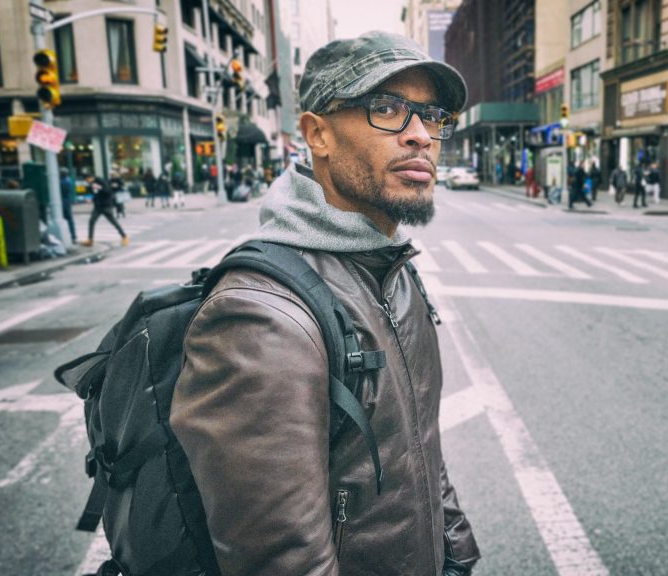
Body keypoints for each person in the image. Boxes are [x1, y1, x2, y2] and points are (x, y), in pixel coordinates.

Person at [170, 31, 480, 576]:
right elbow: (279, 558)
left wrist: (456, 557)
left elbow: (421, 450)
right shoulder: (260, 314)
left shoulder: (392, 270)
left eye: (431, 116)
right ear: (317, 134)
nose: (420, 137)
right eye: (386, 108)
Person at [80, 171, 128, 247]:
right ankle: (90, 239)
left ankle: (124, 236)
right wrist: (92, 199)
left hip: (106, 205)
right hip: (98, 206)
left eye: (87, 179)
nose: (87, 181)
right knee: (91, 221)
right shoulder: (91, 184)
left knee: (113, 222)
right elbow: (95, 193)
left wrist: (99, 187)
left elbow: (108, 191)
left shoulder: (100, 181)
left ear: (90, 177)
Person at [59, 169, 78, 243]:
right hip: (67, 202)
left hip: (64, 203)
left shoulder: (63, 182)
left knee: (68, 220)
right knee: (69, 220)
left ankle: (72, 237)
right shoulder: (68, 180)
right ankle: (73, 237)